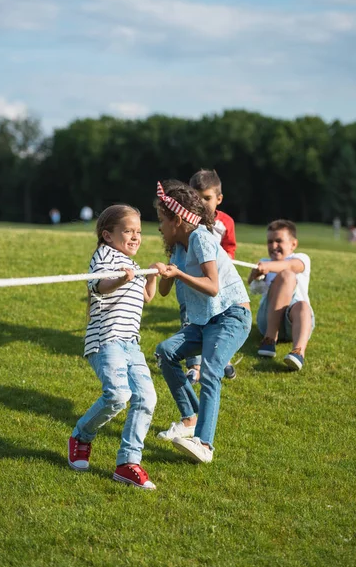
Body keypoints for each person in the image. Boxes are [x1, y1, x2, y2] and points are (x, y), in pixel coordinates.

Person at [154, 180, 252, 463]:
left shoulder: (201, 238)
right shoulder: (178, 248)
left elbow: (212, 286)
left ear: (178, 219)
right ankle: (191, 419)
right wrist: (160, 272)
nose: (160, 228)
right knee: (165, 351)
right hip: (204, 321)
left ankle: (205, 445)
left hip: (231, 315)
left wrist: (179, 275)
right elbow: (164, 290)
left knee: (210, 371)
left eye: (162, 221)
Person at [68, 204, 159, 489]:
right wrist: (120, 278)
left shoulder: (132, 263)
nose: (135, 237)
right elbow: (99, 286)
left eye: (138, 232)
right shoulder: (104, 256)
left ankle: (128, 463)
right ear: (108, 235)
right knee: (119, 396)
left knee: (146, 399)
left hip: (132, 345)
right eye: (128, 231)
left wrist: (153, 274)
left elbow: (146, 297)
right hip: (106, 342)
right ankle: (82, 436)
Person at [189, 169, 237, 380]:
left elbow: (230, 247)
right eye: (196, 197)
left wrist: (223, 263)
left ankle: (221, 358)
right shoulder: (188, 219)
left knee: (218, 317)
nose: (201, 203)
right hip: (193, 279)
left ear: (219, 199)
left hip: (217, 280)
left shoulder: (226, 223)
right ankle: (195, 365)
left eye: (207, 198)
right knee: (192, 318)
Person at [248, 219, 315, 371]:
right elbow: (255, 290)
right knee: (286, 276)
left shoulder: (301, 258)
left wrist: (267, 267)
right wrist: (255, 277)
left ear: (293, 244)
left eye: (279, 241)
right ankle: (269, 338)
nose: (273, 246)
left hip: (296, 324)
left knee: (301, 302)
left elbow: (290, 266)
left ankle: (298, 352)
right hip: (268, 321)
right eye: (270, 241)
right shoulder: (263, 263)